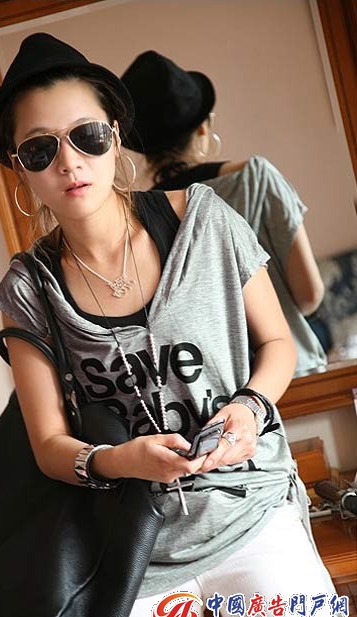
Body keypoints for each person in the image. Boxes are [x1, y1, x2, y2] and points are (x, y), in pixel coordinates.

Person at [0, 33, 344, 617]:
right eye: (41, 149)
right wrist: (122, 460)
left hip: (251, 513)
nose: (69, 162)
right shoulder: (29, 287)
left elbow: (278, 343)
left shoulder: (204, 219)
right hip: (133, 548)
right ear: (20, 166)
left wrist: (249, 408)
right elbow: (48, 444)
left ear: (114, 135)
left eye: (86, 136)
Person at [121, 50, 328, 378]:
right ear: (204, 128)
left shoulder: (137, 213)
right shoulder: (255, 179)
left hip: (208, 388)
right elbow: (309, 294)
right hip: (288, 373)